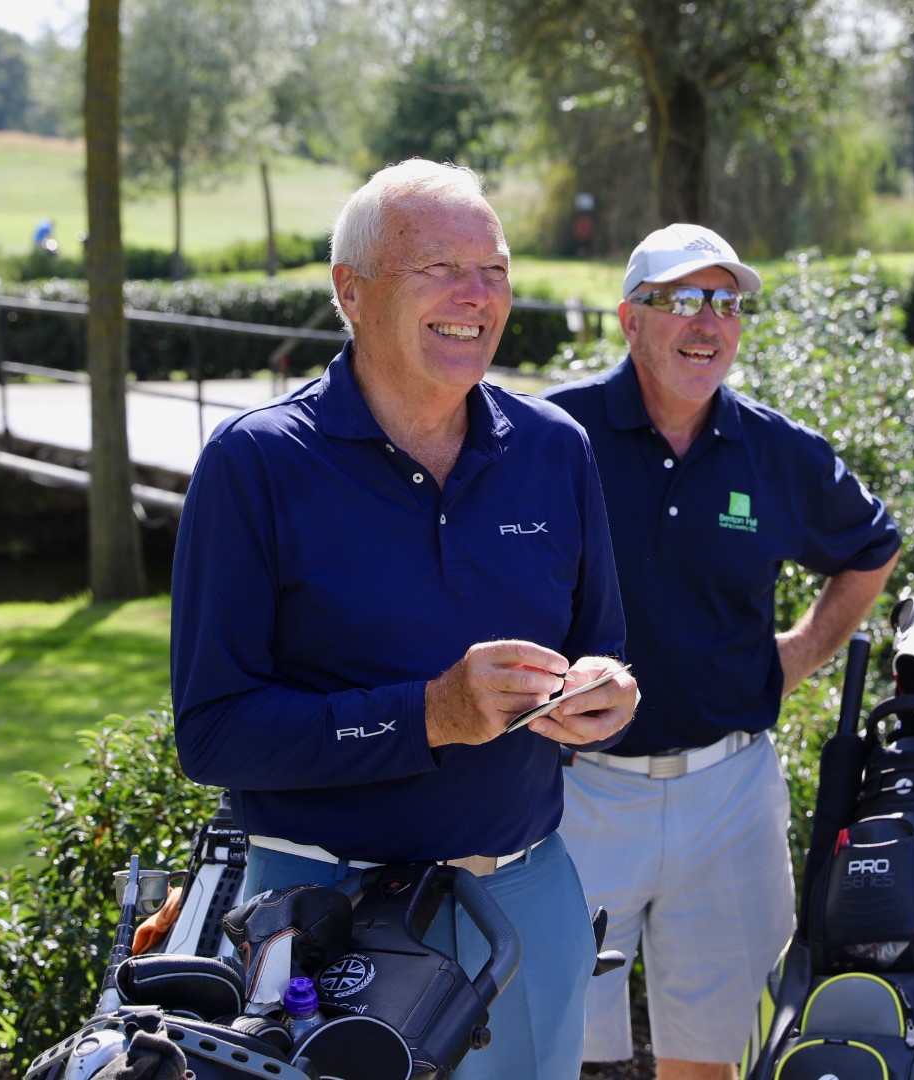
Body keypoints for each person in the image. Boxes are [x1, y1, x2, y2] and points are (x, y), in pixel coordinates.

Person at [168, 158, 638, 1079]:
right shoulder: (255, 464)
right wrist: (427, 715)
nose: (477, 296)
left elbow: (604, 646)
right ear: (352, 290)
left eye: (495, 270)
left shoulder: (555, 450)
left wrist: (606, 693)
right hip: (317, 918)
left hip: (526, 901)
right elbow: (212, 735)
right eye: (442, 269)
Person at [541, 223, 901, 1079]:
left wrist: (804, 649)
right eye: (684, 300)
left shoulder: (776, 452)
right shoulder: (554, 433)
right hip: (575, 795)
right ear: (631, 320)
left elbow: (871, 546)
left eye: (729, 303)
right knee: (556, 1053)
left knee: (716, 1058)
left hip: (730, 794)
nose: (709, 323)